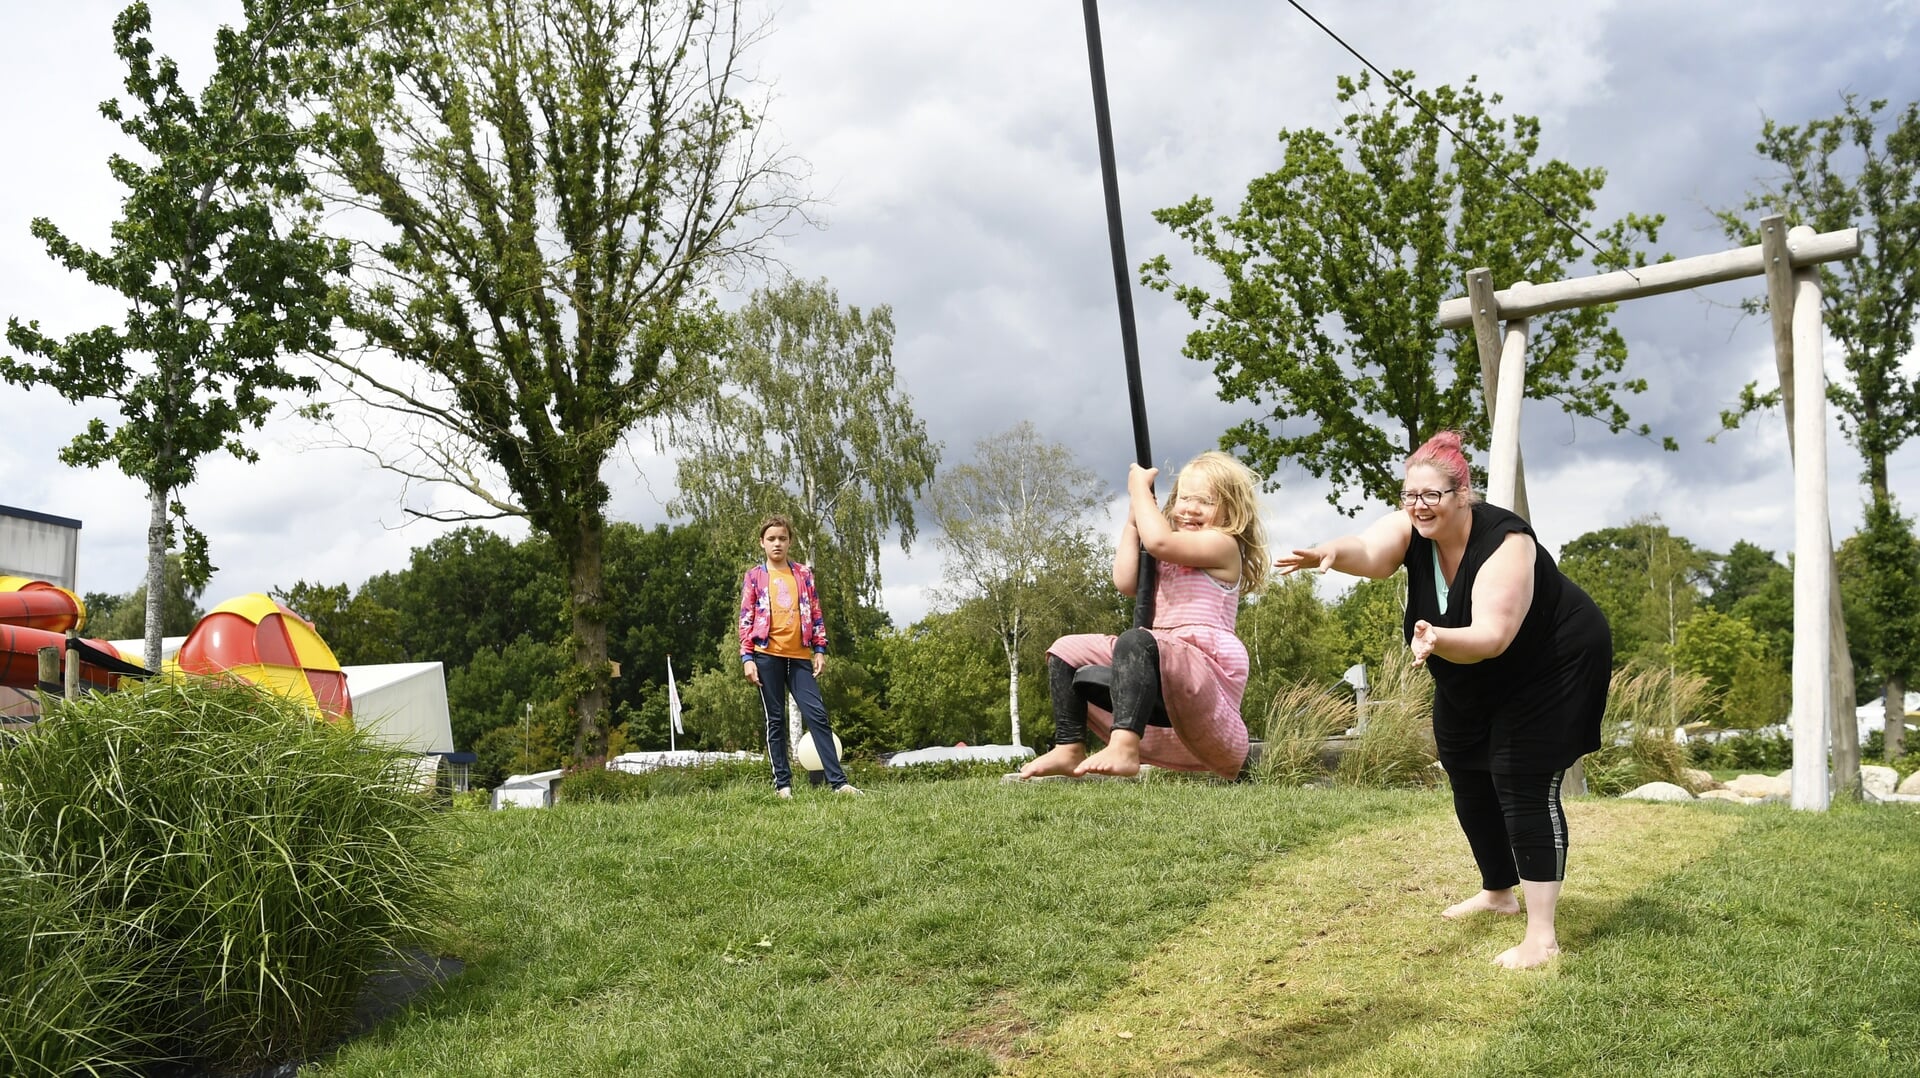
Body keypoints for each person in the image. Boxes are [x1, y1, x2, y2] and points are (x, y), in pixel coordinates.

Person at [1274, 431, 1610, 969]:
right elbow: (1372, 553)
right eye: (1410, 495)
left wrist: (1438, 639)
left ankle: (1542, 936)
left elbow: (1493, 637)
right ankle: (1498, 892)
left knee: (1520, 775)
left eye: (1431, 494)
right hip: (1469, 661)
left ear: (1462, 494)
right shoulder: (1412, 528)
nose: (1419, 505)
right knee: (1463, 762)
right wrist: (1332, 552)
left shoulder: (1507, 543)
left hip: (1552, 660)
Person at [1021, 450, 1268, 782]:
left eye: (1206, 502)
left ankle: (1125, 745)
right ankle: (1069, 746)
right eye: (1184, 498)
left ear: (1231, 511)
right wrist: (1132, 521)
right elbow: (1125, 582)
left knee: (1136, 640)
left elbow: (1160, 542)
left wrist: (1138, 490)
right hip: (1156, 650)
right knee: (1065, 650)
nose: (1191, 508)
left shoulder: (1222, 545)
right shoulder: (1166, 549)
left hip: (1204, 662)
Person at [738, 514, 862, 798]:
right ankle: (783, 785)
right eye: (771, 539)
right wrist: (747, 658)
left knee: (817, 715)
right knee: (775, 720)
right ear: (762, 542)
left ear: (790, 542)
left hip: (799, 657)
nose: (777, 543)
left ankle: (838, 783)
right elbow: (745, 619)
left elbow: (815, 612)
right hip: (766, 655)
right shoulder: (755, 577)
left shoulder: (803, 574)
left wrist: (820, 649)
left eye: (782, 538)